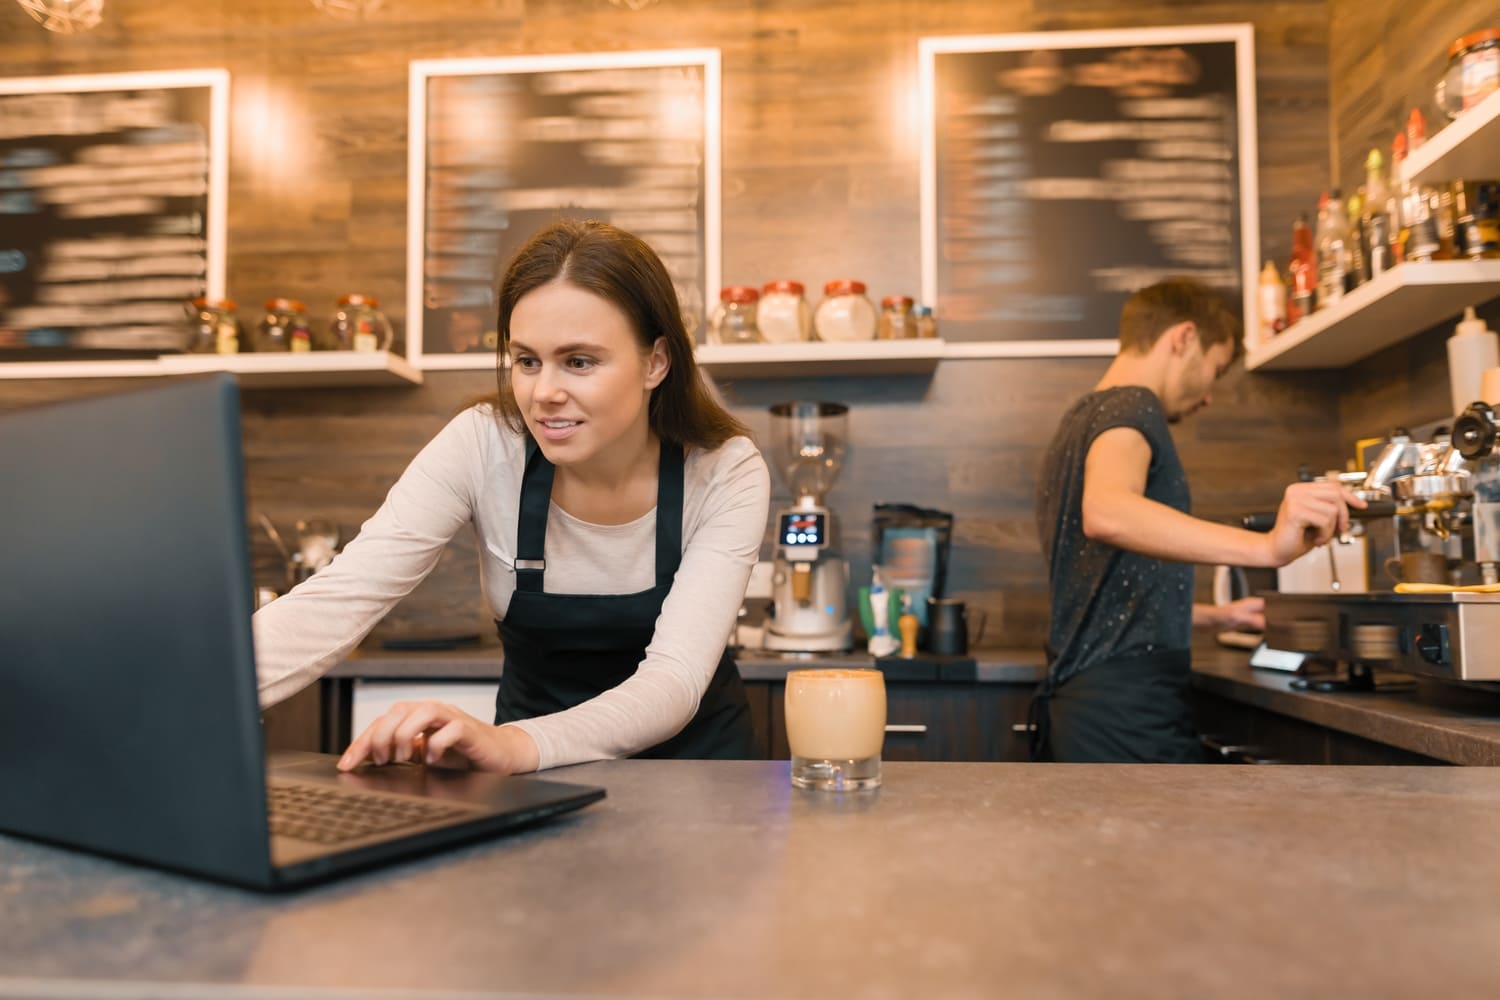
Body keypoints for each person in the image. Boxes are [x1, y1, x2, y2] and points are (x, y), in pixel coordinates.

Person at [253, 219, 770, 773]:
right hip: (535, 783)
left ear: (656, 362)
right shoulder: (483, 444)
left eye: (579, 361)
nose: (543, 393)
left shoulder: (723, 471)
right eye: (526, 361)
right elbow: (340, 597)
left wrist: (513, 745)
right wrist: (179, 693)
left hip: (698, 779)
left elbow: (673, 681)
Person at [1031, 278, 1363, 763]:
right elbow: (1107, 512)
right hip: (1126, 712)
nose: (1209, 395)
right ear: (1183, 338)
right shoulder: (1132, 404)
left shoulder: (1078, 421)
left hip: (1087, 709)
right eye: (1216, 368)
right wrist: (1268, 548)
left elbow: (1102, 600)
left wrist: (1217, 617)